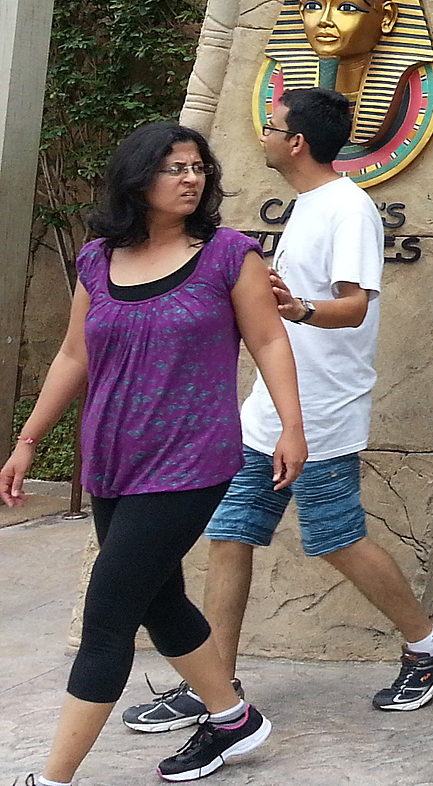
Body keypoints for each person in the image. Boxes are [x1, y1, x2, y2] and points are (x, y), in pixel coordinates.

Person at [119, 89, 433, 736]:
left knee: (336, 537)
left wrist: (300, 309)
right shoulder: (309, 205)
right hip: (269, 410)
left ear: (297, 142)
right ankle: (216, 684)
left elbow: (354, 306)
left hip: (324, 409)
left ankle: (427, 644)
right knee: (230, 533)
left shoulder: (348, 208)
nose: (263, 136)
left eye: (272, 127)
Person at [1, 122, 306, 786]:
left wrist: (292, 426)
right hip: (113, 456)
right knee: (158, 599)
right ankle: (233, 719)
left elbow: (269, 341)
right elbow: (74, 354)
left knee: (107, 618)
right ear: (138, 179)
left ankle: (52, 779)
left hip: (190, 459)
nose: (191, 178)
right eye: (175, 168)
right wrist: (27, 441)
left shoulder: (229, 255)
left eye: (198, 167)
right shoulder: (97, 259)